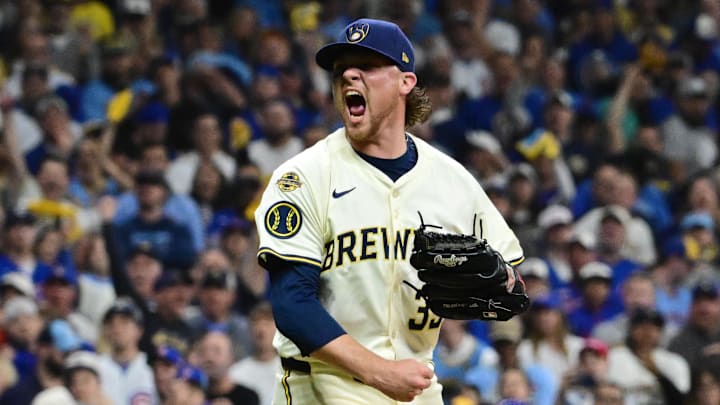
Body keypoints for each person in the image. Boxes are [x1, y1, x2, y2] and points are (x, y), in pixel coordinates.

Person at [254, 18, 524, 404]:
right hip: (322, 381)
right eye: (341, 69)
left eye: (367, 65)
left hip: (415, 383)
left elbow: (511, 280)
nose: (348, 74)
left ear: (405, 82)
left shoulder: (452, 180)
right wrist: (380, 372)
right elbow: (291, 305)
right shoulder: (302, 177)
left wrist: (502, 282)